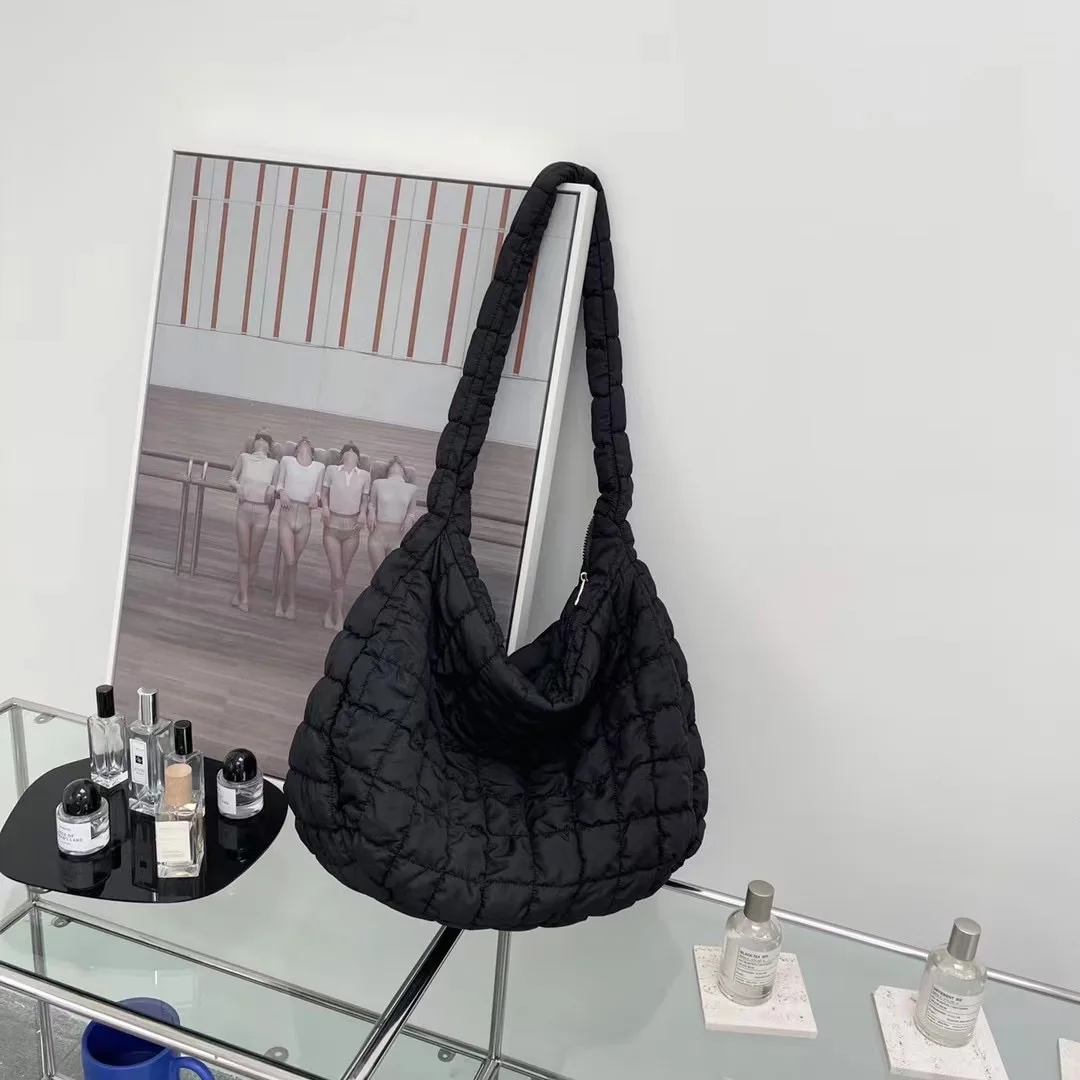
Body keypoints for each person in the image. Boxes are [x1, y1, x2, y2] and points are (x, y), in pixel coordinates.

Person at [272, 436, 325, 620]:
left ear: (313, 452)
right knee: (289, 560)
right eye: (301, 444)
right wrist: (282, 492)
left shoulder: (319, 467)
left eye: (308, 444)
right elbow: (279, 484)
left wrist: (317, 496)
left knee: (292, 562)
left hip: (304, 518)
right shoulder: (287, 461)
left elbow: (318, 491)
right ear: (295, 451)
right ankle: (286, 602)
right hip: (287, 515)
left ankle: (287, 602)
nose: (305, 443)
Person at [320, 443, 371, 630]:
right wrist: (325, 507)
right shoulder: (332, 470)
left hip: (352, 528)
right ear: (341, 457)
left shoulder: (364, 475)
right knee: (337, 573)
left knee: (342, 573)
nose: (350, 453)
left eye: (354, 451)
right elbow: (324, 494)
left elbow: (365, 500)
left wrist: (363, 513)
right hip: (332, 524)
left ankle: (330, 610)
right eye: (347, 451)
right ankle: (339, 615)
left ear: (358, 458)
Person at [228, 431, 277, 612]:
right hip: (244, 509)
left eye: (265, 440)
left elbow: (277, 484)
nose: (261, 441)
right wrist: (238, 486)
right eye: (258, 439)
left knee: (253, 555)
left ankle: (242, 590)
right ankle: (244, 597)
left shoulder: (274, 464)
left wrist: (273, 487)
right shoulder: (244, 458)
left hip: (262, 511)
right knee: (243, 554)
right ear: (253, 443)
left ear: (269, 447)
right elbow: (232, 478)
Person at [367, 456, 419, 574]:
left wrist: (409, 518)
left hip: (398, 537)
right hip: (378, 535)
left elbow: (412, 511)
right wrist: (371, 511)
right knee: (378, 574)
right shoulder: (378, 483)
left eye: (399, 465)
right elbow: (372, 503)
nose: (395, 466)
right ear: (387, 470)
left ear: (404, 472)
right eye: (392, 465)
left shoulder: (412, 489)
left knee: (391, 575)